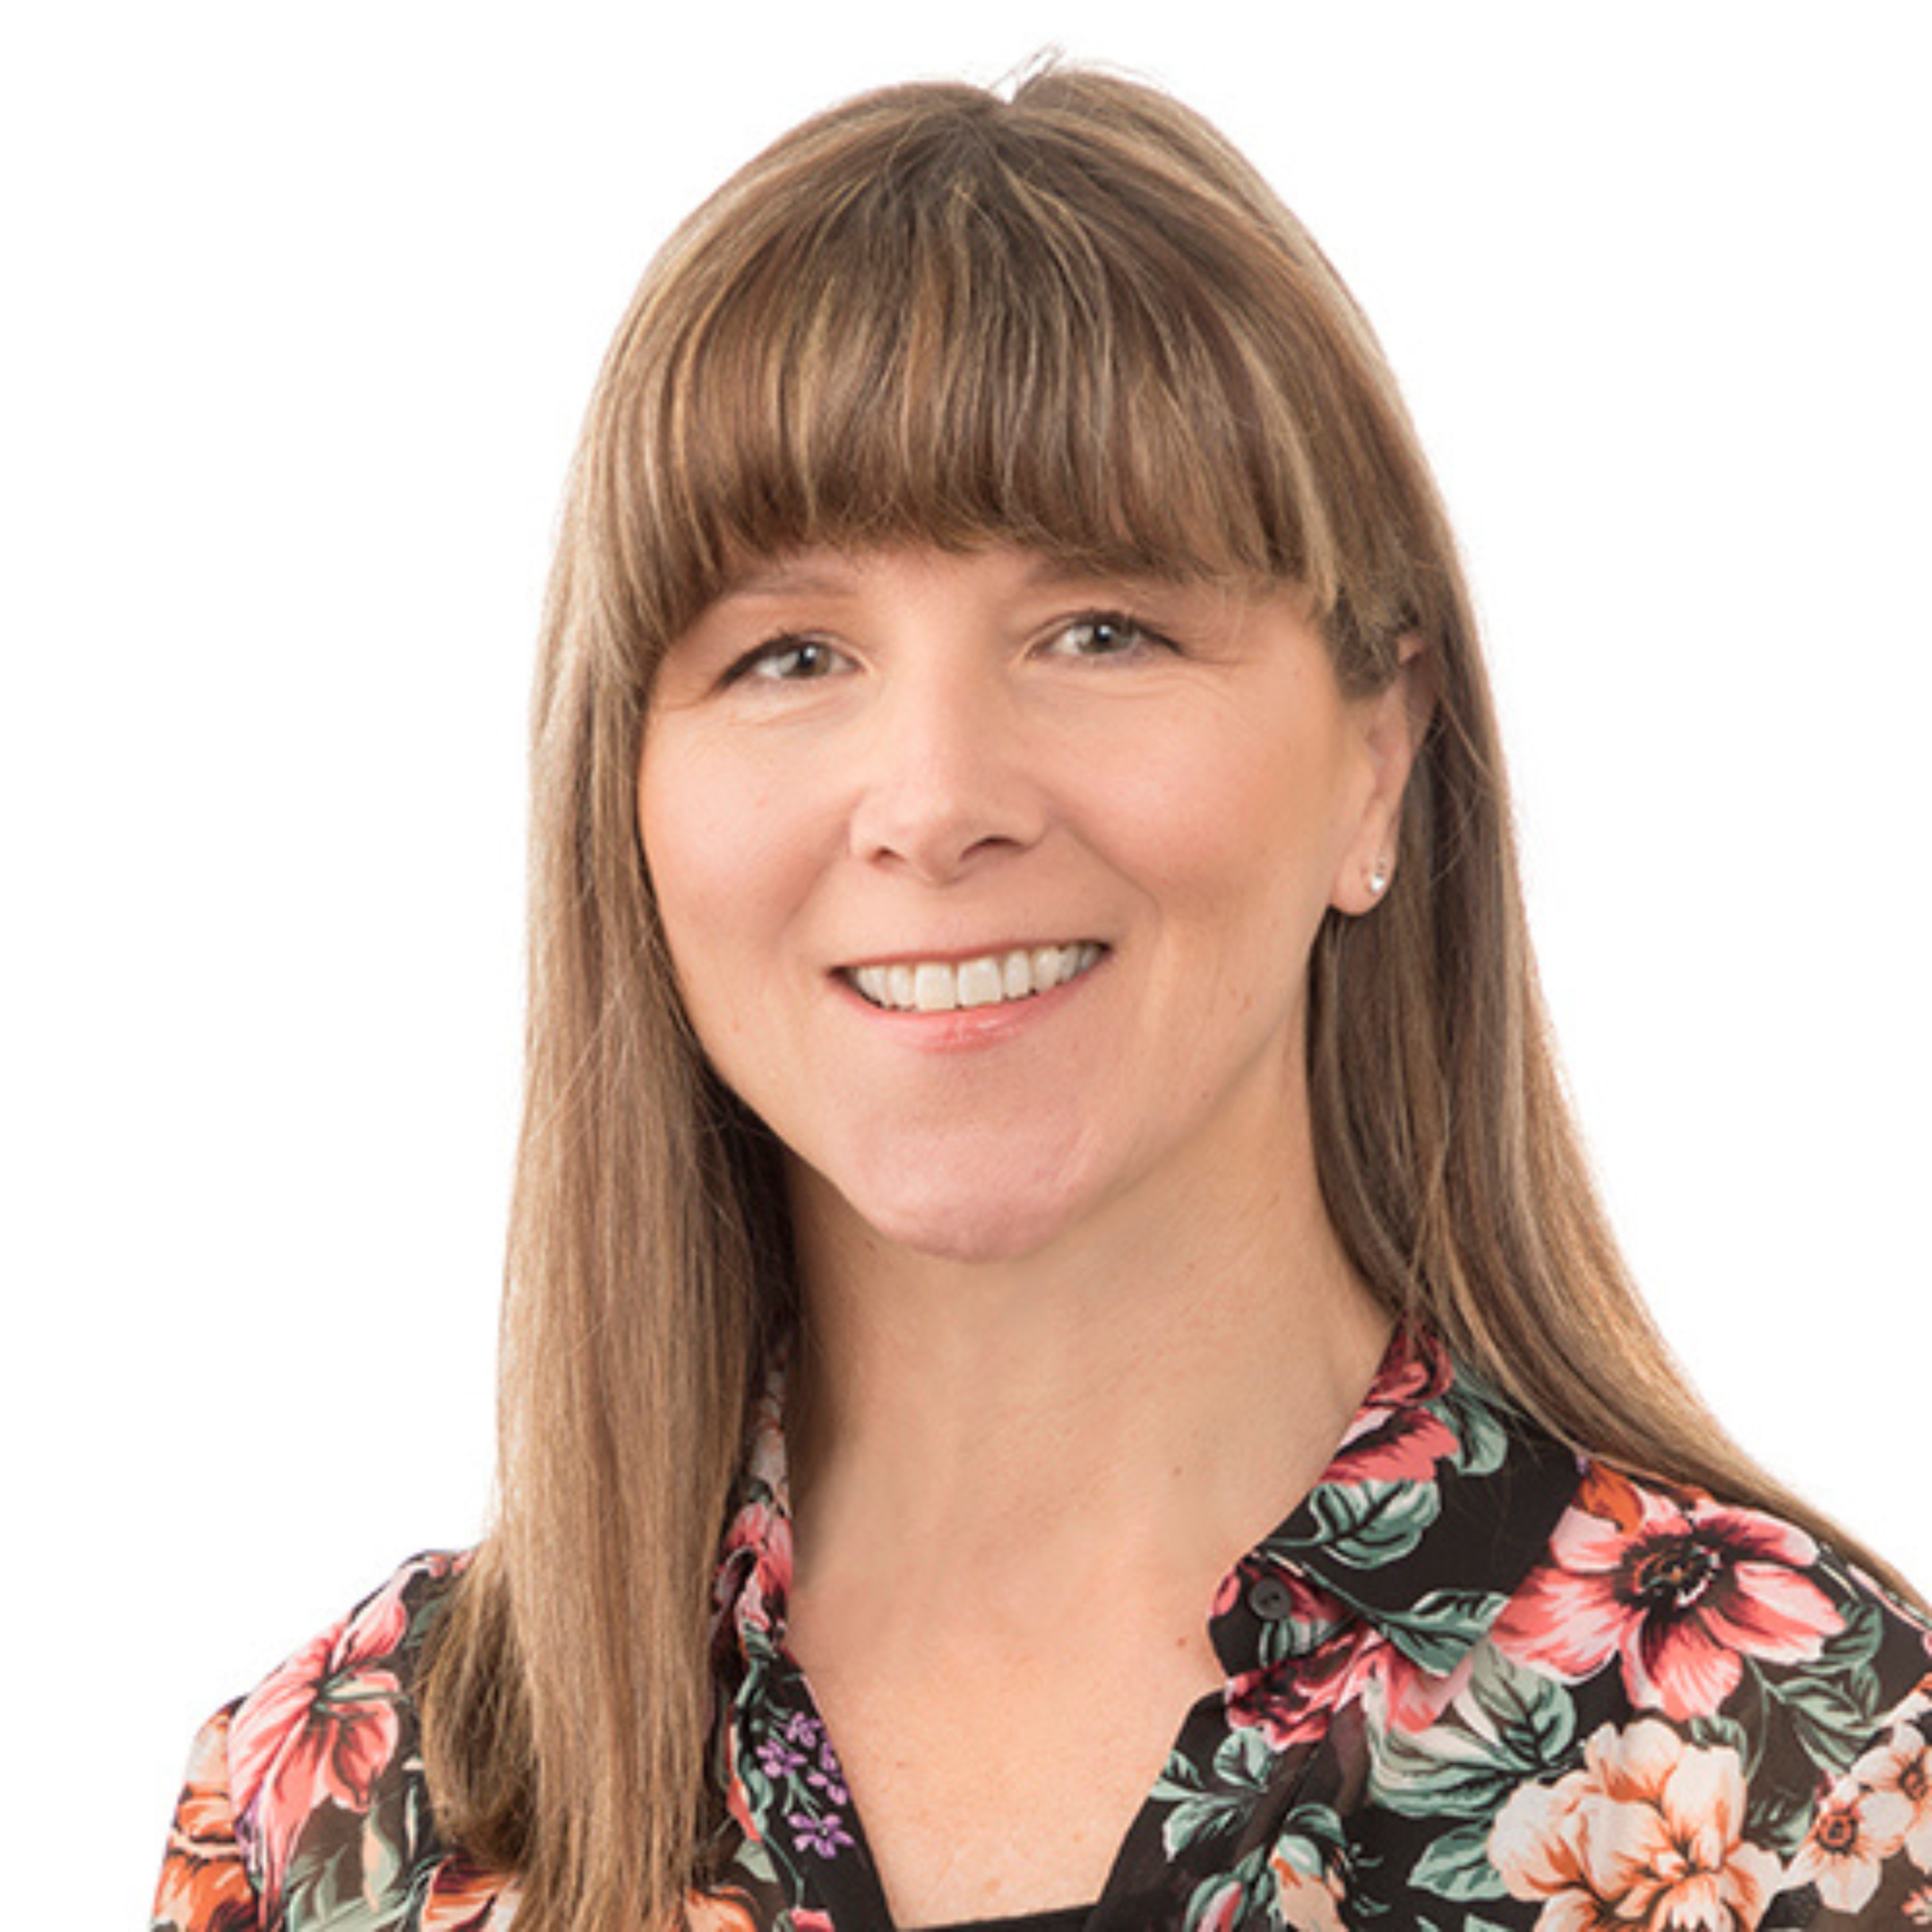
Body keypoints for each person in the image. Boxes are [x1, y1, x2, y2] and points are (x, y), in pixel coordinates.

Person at [151, 63, 1932, 1932]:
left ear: (1379, 759)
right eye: (790, 654)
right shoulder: (339, 1816)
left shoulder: (1817, 1793)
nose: (932, 803)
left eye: (1102, 630)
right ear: (631, 797)